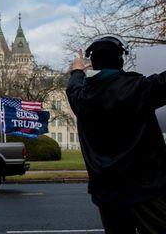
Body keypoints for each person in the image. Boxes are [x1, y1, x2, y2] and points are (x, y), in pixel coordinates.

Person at [66, 35, 166, 233]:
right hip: (146, 190)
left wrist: (76, 69)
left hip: (106, 193)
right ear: (121, 60)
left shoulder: (82, 98)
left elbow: (73, 86)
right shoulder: (138, 88)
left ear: (93, 63)